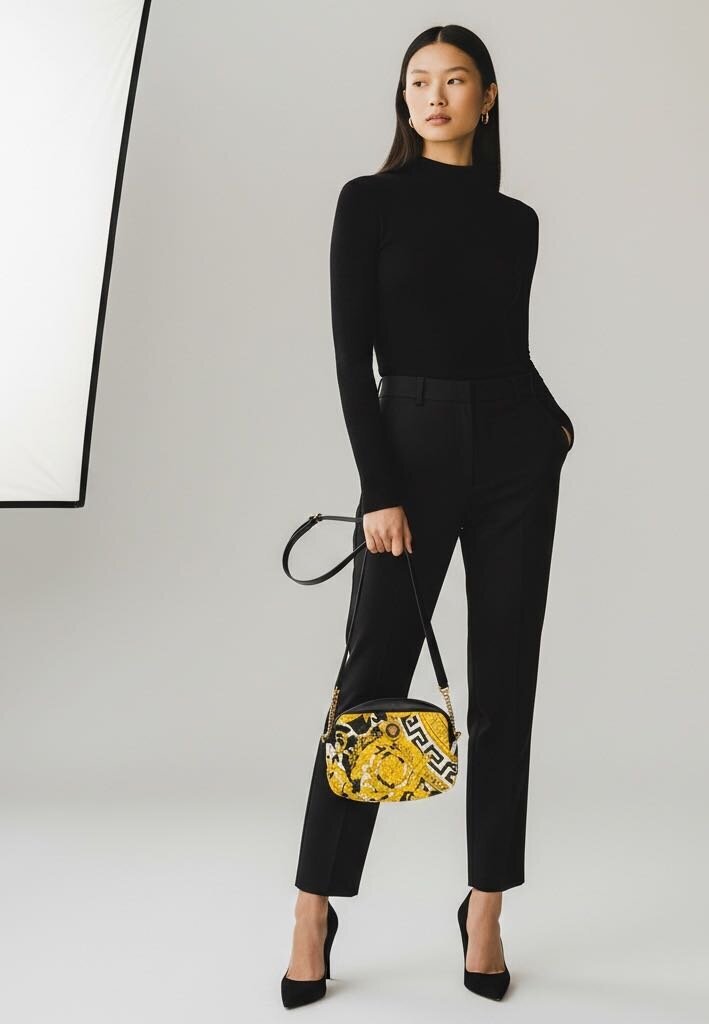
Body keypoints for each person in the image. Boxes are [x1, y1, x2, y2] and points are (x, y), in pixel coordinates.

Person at [281, 24, 574, 1008]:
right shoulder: (367, 202)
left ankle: (486, 907)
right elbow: (350, 355)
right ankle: (313, 908)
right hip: (408, 450)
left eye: (455, 80)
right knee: (369, 685)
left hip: (515, 452)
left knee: (505, 685)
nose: (435, 95)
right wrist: (379, 488)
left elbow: (501, 344)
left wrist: (553, 426)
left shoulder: (516, 222)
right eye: (418, 80)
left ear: (488, 98)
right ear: (403, 98)